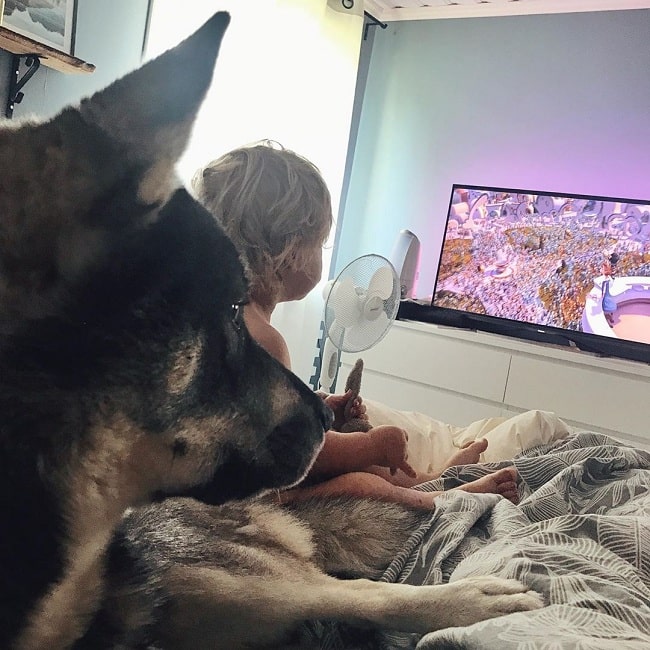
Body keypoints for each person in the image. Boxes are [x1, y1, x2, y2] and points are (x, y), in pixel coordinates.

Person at [192, 141, 522, 509]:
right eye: (322, 243)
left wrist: (322, 410)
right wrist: (370, 445)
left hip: (223, 483)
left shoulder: (208, 318)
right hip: (245, 505)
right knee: (360, 483)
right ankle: (442, 500)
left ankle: (432, 480)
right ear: (288, 250)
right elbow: (301, 456)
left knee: (362, 463)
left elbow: (250, 423)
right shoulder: (260, 339)